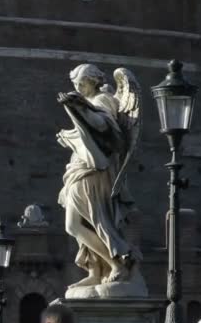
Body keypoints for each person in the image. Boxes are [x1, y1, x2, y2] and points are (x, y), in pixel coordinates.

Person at [56, 63, 141, 288]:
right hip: (81, 168)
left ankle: (118, 264)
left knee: (90, 221)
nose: (78, 86)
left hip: (94, 172)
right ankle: (96, 270)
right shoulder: (89, 101)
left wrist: (80, 107)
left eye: (82, 83)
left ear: (93, 81)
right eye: (75, 83)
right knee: (78, 224)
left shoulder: (103, 100)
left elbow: (103, 126)